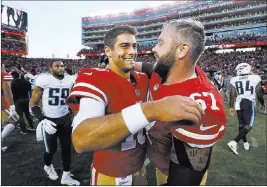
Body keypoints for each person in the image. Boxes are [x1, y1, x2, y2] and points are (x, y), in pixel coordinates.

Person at [67, 25, 204, 186]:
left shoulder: (143, 79)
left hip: (139, 169)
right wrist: (151, 109)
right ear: (108, 51)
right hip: (110, 174)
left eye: (134, 46)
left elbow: (175, 71)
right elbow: (81, 139)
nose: (132, 51)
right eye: (124, 46)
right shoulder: (95, 77)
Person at [135, 19, 226, 185]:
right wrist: (127, 66)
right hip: (161, 163)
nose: (154, 49)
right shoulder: (165, 68)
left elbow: (185, 178)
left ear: (182, 50)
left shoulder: (200, 106)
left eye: (161, 43)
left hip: (171, 174)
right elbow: (150, 70)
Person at [29, 61, 80, 186]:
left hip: (65, 118)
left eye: (62, 66)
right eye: (57, 66)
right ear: (50, 68)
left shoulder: (70, 80)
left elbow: (73, 100)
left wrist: (75, 113)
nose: (60, 68)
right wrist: (42, 119)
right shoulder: (44, 80)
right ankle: (47, 166)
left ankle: (66, 175)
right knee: (50, 149)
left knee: (67, 148)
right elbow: (33, 103)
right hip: (49, 120)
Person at [227, 63, 265, 154]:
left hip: (238, 102)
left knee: (241, 125)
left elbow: (232, 94)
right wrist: (262, 104)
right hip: (248, 102)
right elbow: (259, 93)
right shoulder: (255, 77)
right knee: (248, 125)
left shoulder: (234, 79)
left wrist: (231, 106)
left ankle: (245, 142)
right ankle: (234, 142)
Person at [1, 66, 19, 152]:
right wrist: (12, 106)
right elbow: (7, 91)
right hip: (2, 104)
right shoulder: (5, 75)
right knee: (15, 120)